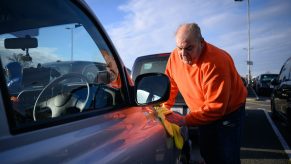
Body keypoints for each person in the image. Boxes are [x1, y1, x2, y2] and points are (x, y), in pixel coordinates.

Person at [163, 23, 247, 164]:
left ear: (201, 43)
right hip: (202, 112)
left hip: (229, 113)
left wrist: (184, 120)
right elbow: (170, 84)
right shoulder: (174, 57)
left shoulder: (216, 62)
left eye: (189, 48)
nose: (183, 54)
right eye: (179, 48)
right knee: (208, 152)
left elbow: (216, 108)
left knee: (227, 157)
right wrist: (165, 108)